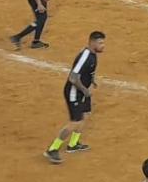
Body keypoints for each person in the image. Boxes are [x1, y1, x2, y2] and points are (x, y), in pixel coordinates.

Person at [44, 30, 105, 165]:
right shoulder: (85, 56)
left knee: (86, 114)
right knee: (75, 122)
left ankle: (73, 144)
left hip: (83, 91)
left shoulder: (93, 54)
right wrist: (85, 90)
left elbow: (88, 71)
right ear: (92, 43)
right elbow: (73, 77)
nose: (103, 45)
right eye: (100, 43)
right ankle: (52, 149)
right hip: (74, 92)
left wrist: (92, 80)